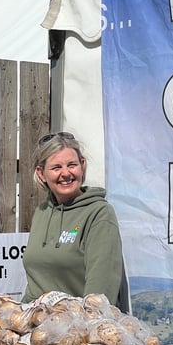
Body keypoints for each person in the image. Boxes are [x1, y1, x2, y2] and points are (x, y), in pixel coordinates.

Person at [21, 131, 130, 311]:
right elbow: (36, 285)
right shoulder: (42, 212)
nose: (66, 173)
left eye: (72, 165)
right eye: (56, 168)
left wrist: (76, 330)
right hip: (37, 328)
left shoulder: (99, 213)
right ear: (41, 173)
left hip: (77, 331)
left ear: (82, 165)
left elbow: (100, 296)